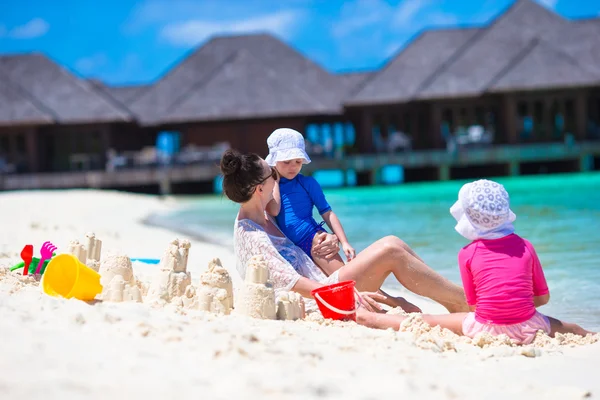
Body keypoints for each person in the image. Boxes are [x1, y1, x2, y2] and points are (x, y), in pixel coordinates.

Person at [220, 148, 469, 314]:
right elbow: (293, 284)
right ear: (259, 190)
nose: (277, 178)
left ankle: (455, 301)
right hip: (322, 298)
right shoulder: (252, 236)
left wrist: (327, 238)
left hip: (325, 286)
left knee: (394, 244)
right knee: (391, 249)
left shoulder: (264, 216)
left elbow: (302, 236)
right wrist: (353, 295)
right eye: (272, 175)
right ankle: (466, 302)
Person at [357, 180, 594, 343]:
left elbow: (473, 307)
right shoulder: (526, 247)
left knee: (427, 321)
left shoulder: (467, 253)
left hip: (485, 327)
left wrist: (500, 311)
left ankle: (373, 319)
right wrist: (517, 307)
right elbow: (543, 298)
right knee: (572, 328)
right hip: (530, 324)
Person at [263, 128, 353, 278]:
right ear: (274, 160)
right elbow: (273, 210)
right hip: (290, 248)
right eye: (286, 162)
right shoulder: (270, 186)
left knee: (346, 280)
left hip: (315, 240)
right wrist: (275, 181)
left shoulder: (307, 183)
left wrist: (344, 242)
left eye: (298, 162)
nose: (293, 167)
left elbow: (327, 212)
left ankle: (393, 300)